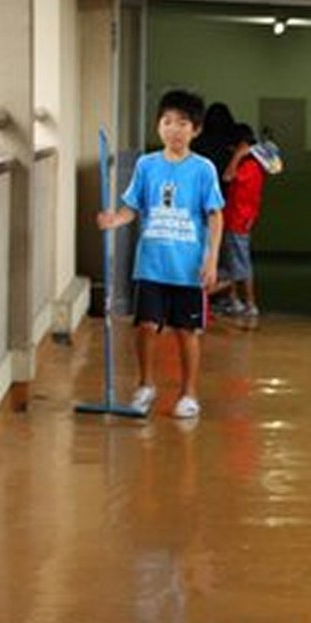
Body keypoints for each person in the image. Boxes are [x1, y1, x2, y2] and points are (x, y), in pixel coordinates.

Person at [97, 89, 225, 419]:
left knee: (187, 331)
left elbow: (215, 215)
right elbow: (132, 207)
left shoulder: (203, 169)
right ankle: (145, 385)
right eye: (167, 122)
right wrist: (115, 220)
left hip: (188, 268)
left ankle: (189, 393)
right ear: (158, 127)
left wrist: (211, 260)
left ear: (195, 130)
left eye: (182, 123)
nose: (174, 129)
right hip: (150, 265)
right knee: (146, 326)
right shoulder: (146, 165)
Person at [212, 121, 266, 326]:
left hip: (239, 221)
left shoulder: (250, 166)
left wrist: (238, 155)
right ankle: (234, 301)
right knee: (233, 260)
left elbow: (227, 176)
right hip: (234, 218)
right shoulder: (251, 165)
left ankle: (250, 303)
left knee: (241, 264)